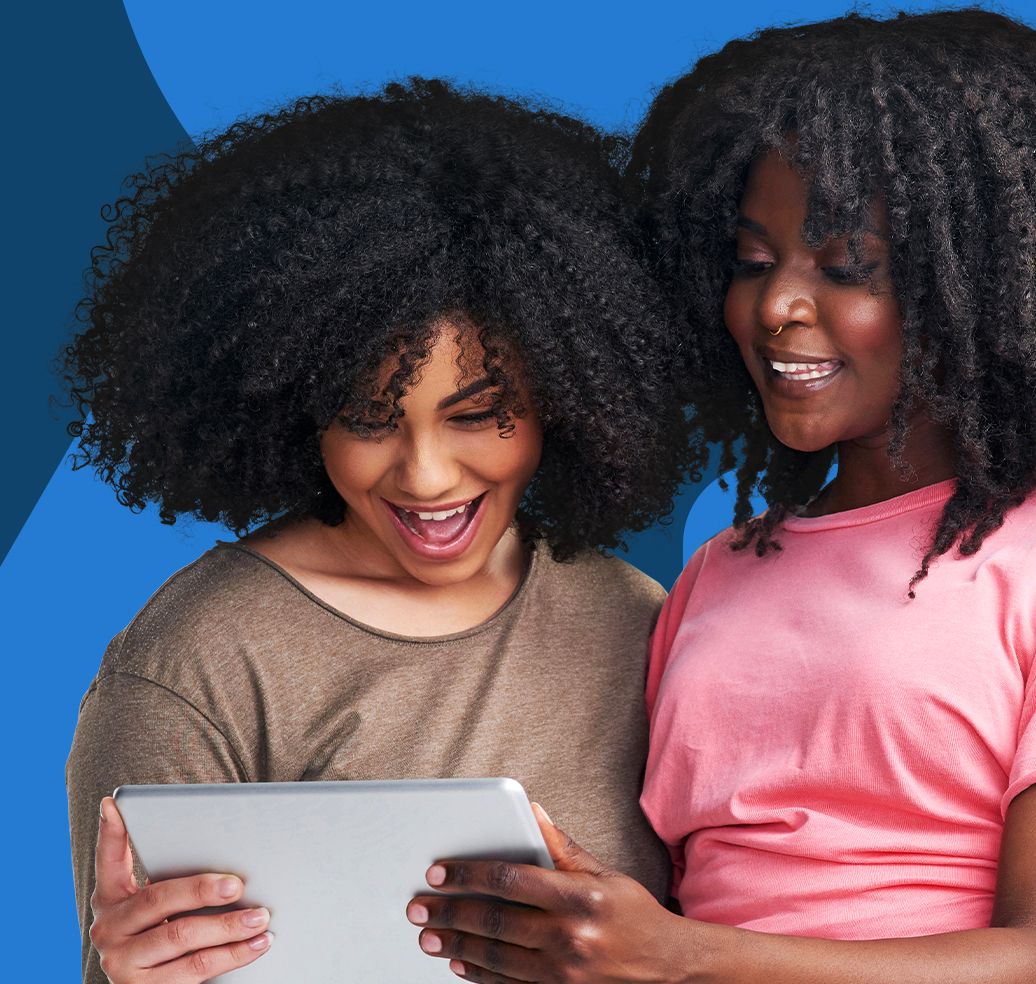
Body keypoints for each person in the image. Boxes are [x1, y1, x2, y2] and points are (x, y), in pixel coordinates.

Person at [406, 11, 1036, 983]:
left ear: (982, 285)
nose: (776, 306)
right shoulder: (718, 574)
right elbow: (666, 913)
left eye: (845, 268)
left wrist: (679, 957)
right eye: (751, 262)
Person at [64, 78, 696, 984]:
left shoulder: (634, 617)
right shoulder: (198, 665)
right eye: (368, 420)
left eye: (478, 414)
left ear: (567, 394)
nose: (426, 475)